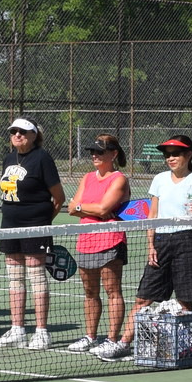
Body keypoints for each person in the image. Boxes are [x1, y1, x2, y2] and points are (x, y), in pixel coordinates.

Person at [99, 135, 192, 360]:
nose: (171, 158)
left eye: (176, 153)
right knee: (143, 298)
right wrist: (151, 244)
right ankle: (123, 343)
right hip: (161, 241)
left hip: (187, 241)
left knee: (184, 301)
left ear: (188, 155)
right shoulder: (159, 179)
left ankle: (185, 346)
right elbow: (153, 215)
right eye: (167, 154)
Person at [0, 118, 64, 349]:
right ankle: (17, 329)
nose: (17, 135)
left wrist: (43, 222)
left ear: (34, 135)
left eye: (23, 132)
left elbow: (59, 197)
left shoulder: (42, 158)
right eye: (14, 131)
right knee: (15, 279)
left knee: (36, 278)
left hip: (35, 226)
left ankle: (42, 332)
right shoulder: (8, 159)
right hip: (9, 226)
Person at [66, 134, 132, 352]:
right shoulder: (87, 177)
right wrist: (84, 207)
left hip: (110, 240)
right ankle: (90, 337)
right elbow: (71, 207)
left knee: (113, 291)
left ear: (113, 154)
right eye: (92, 151)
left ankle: (112, 340)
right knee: (90, 292)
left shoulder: (118, 179)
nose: (94, 155)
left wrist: (83, 206)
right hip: (86, 239)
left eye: (100, 151)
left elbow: (104, 209)